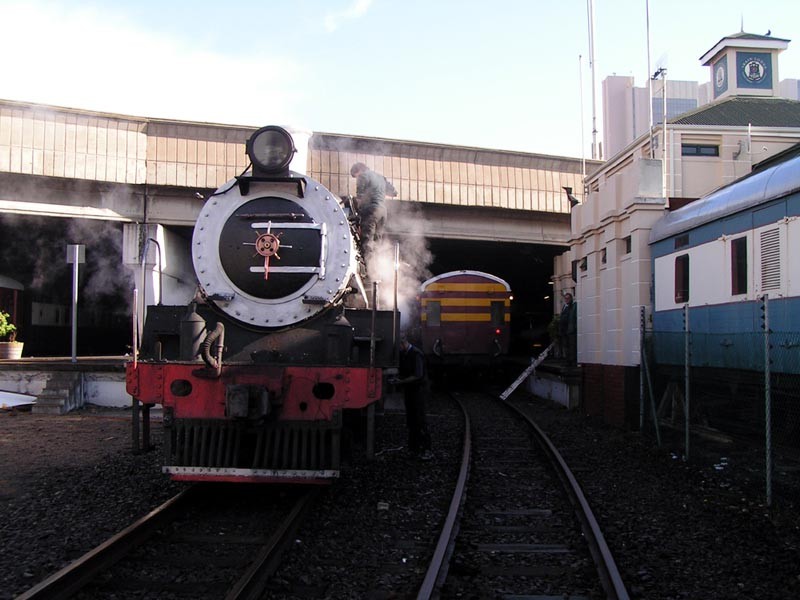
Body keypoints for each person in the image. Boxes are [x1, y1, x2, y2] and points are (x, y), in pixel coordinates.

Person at [391, 334, 433, 461]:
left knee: (420, 420)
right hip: (410, 390)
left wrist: (400, 382)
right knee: (411, 420)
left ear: (403, 343)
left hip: (419, 391)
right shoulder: (405, 354)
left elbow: (418, 375)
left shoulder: (416, 354)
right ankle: (414, 449)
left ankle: (426, 449)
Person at [350, 162, 397, 264]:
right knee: (377, 242)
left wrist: (358, 211)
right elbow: (394, 192)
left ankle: (367, 269)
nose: (356, 178)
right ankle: (377, 269)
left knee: (367, 241)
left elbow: (360, 197)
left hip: (371, 211)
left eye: (355, 175)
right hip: (383, 212)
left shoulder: (363, 176)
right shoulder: (381, 178)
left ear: (358, 171)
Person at [559, 292, 577, 366]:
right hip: (564, 330)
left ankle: (572, 361)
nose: (566, 300)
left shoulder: (573, 306)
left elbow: (574, 317)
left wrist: (574, 328)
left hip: (570, 330)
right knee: (566, 346)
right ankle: (567, 361)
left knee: (571, 346)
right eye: (565, 298)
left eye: (568, 298)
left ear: (571, 299)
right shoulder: (564, 306)